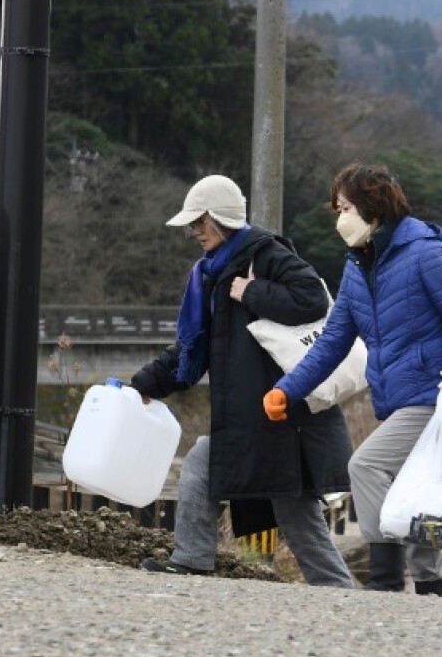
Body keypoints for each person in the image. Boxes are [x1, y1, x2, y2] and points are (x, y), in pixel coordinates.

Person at [262, 163, 442, 597]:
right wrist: (288, 388)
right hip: (397, 401)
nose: (339, 217)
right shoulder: (358, 267)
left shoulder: (424, 251)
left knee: (366, 465)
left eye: (344, 207)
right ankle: (437, 595)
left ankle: (384, 583)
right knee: (416, 503)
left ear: (372, 207)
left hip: (432, 395)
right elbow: (332, 342)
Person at [132, 174, 356, 588]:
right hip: (258, 419)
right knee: (219, 470)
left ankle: (337, 591)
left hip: (286, 418)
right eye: (192, 225)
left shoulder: (264, 254)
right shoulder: (211, 274)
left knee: (292, 512)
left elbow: (312, 298)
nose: (194, 232)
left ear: (220, 219)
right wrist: (144, 383)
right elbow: (191, 349)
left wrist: (252, 291)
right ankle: (194, 559)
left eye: (199, 222)